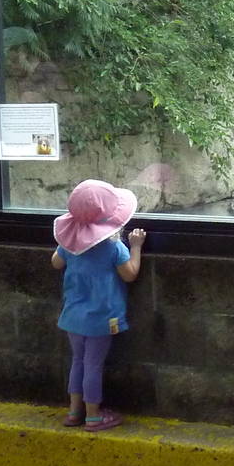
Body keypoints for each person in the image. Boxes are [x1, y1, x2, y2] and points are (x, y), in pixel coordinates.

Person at [51, 179, 145, 431]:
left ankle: (74, 412)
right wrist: (135, 247)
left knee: (78, 361)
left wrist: (66, 244)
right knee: (93, 365)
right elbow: (130, 274)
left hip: (73, 316)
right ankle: (93, 416)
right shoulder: (114, 247)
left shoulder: (69, 246)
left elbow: (56, 263)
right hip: (101, 319)